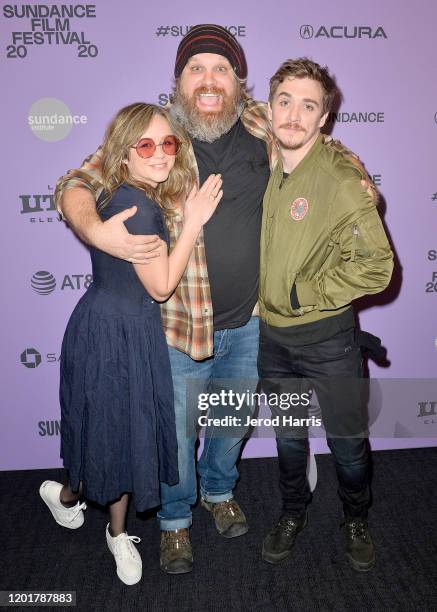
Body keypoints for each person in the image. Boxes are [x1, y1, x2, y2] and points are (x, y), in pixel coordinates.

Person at [54, 24, 376, 574]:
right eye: (196, 68)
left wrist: (359, 176)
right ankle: (175, 524)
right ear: (178, 80)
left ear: (238, 81)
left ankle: (219, 491)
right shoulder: (155, 134)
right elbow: (75, 183)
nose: (209, 80)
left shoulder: (261, 124)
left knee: (228, 426)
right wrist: (98, 231)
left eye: (221, 68)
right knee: (177, 435)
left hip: (251, 324)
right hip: (178, 328)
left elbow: (320, 146)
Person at [39, 103, 222, 586]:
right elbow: (162, 287)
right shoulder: (139, 207)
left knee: (105, 430)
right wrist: (196, 219)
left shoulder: (129, 193)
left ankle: (66, 499)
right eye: (146, 145)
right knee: (119, 436)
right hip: (117, 334)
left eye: (168, 144)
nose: (160, 154)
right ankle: (116, 534)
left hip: (111, 325)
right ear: (124, 156)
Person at [258, 58, 394, 571]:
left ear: (324, 119)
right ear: (270, 109)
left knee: (348, 446)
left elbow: (378, 267)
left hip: (328, 341)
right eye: (285, 101)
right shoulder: (269, 160)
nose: (293, 114)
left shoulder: (340, 177)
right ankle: (293, 512)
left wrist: (304, 293)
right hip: (272, 341)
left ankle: (356, 517)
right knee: (290, 441)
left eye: (308, 105)